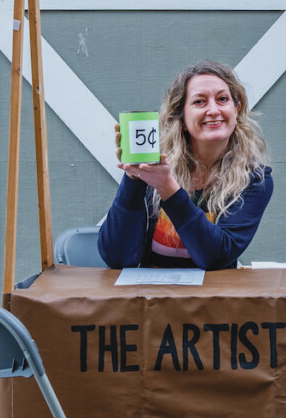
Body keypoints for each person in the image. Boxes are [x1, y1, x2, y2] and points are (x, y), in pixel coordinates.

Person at [98, 60, 273, 270]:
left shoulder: (253, 179)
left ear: (237, 109)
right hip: (150, 299)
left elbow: (215, 257)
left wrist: (168, 189)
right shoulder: (156, 166)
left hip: (215, 299)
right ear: (181, 118)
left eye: (222, 99)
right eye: (199, 102)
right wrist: (134, 179)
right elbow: (117, 257)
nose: (213, 110)